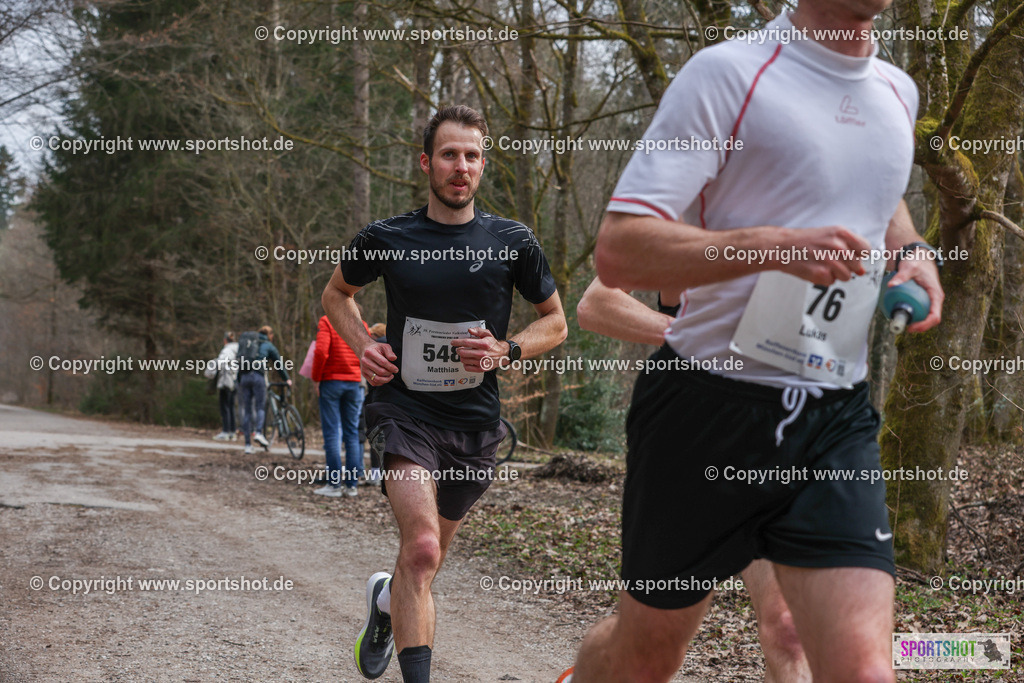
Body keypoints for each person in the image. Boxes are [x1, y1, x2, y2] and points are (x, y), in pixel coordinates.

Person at [561, 0, 944, 680]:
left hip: (833, 417)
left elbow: (879, 190)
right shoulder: (728, 76)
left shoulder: (896, 91)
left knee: (857, 666)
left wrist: (912, 249)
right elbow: (619, 252)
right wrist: (774, 247)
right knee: (644, 657)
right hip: (705, 412)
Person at [321, 105, 567, 682]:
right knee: (424, 547)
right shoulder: (387, 237)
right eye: (450, 154)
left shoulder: (513, 241)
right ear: (426, 162)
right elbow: (336, 294)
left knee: (423, 565)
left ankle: (386, 604)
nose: (462, 166)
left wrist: (507, 350)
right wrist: (364, 345)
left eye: (473, 156)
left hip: (475, 425)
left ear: (483, 165)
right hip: (405, 411)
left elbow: (556, 322)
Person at [576, 279, 810, 682]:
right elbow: (596, 304)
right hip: (691, 436)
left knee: (790, 631)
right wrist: (688, 333)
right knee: (647, 649)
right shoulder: (685, 234)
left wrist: (911, 256)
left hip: (783, 438)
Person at [312, 314, 370, 498]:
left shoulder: (328, 320)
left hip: (331, 382)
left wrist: (316, 378)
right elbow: (368, 353)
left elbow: (321, 351)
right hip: (354, 383)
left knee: (332, 433)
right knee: (352, 433)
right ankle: (351, 486)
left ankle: (334, 484)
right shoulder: (361, 324)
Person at [237, 325, 292, 455]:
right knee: (260, 407)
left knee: (247, 410)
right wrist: (287, 379)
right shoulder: (268, 345)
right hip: (258, 377)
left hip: (244, 377)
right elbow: (278, 364)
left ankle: (247, 445)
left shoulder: (249, 343)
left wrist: (240, 379)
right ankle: (259, 433)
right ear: (270, 335)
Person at [207, 331, 239, 441]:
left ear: (225, 340)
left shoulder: (227, 350)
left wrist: (210, 370)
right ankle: (232, 432)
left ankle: (226, 431)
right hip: (235, 381)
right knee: (231, 407)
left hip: (226, 381)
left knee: (224, 407)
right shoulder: (238, 350)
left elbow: (220, 363)